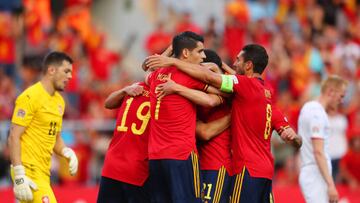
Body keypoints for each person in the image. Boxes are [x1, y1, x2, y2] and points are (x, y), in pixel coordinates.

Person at [145, 44, 302, 203]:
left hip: (236, 168)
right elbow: (295, 140)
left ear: (248, 65)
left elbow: (209, 82)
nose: (234, 63)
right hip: (264, 171)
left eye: (238, 60)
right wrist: (295, 138)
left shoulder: (242, 88)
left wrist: (173, 66)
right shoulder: (264, 95)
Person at [146, 31, 223, 203]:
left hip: (156, 157)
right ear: (186, 53)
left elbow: (147, 71)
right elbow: (221, 94)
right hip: (181, 155)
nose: (203, 57)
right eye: (200, 51)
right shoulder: (188, 76)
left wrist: (168, 55)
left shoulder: (156, 76)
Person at [8, 51, 78, 203]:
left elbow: (55, 137)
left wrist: (67, 152)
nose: (70, 77)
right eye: (66, 71)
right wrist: (19, 176)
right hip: (28, 171)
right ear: (51, 70)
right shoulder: (30, 97)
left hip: (43, 174)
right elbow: (14, 136)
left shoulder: (60, 102)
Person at [97, 82, 151, 203]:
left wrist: (125, 90)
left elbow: (108, 103)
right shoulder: (162, 94)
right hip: (137, 169)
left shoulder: (136, 87)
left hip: (113, 164)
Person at [298, 75, 348, 203]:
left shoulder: (307, 107)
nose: (341, 101)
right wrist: (331, 185)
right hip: (315, 173)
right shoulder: (318, 115)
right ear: (331, 92)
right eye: (341, 96)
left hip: (312, 171)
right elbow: (318, 152)